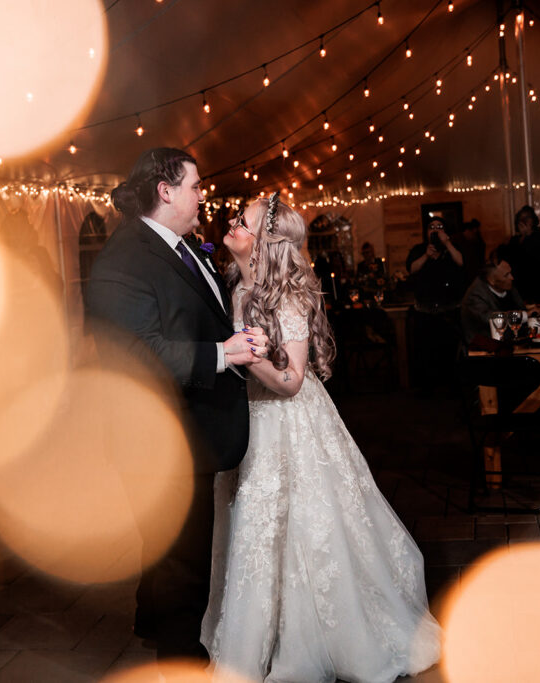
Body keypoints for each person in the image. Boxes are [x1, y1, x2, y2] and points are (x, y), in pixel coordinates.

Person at [202, 193, 441, 682]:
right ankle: (259, 638)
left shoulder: (290, 295)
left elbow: (290, 382)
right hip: (249, 421)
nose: (232, 224)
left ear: (267, 241)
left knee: (310, 526)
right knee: (255, 528)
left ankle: (321, 636)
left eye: (242, 222)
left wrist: (245, 355)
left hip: (291, 422)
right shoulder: (236, 288)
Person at [84, 148, 268, 662]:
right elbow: (135, 352)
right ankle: (182, 662)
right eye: (195, 185)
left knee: (170, 553)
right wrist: (221, 353)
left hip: (191, 429)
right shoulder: (126, 257)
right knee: (184, 562)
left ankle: (154, 622)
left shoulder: (186, 249)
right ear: (165, 191)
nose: (203, 193)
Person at [406, 217, 464, 393]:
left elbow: (461, 262)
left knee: (449, 351)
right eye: (432, 227)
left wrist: (447, 244)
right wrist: (426, 255)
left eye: (440, 226)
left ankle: (451, 387)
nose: (436, 229)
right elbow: (412, 269)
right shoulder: (419, 249)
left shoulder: (450, 250)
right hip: (425, 312)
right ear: (426, 231)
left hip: (449, 310)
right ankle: (427, 389)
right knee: (426, 353)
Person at [460, 255, 535, 344]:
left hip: (511, 342)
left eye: (510, 272)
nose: (511, 278)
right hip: (484, 347)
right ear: (492, 280)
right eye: (506, 275)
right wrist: (524, 315)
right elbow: (492, 319)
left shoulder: (507, 287)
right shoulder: (475, 295)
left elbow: (521, 308)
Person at [503, 205, 540, 302]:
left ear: (533, 220)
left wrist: (527, 235)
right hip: (519, 284)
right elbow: (510, 258)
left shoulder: (539, 237)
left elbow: (536, 257)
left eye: (527, 218)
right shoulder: (514, 240)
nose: (524, 221)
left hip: (536, 283)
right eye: (521, 219)